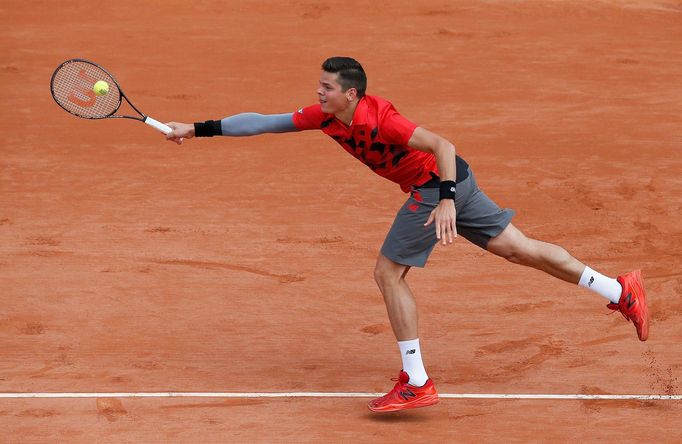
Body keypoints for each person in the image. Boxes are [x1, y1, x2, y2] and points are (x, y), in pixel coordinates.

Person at [164, 56, 650, 413]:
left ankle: (416, 381)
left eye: (327, 88)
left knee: (388, 273)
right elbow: (263, 122)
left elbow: (442, 144)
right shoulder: (325, 118)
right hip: (455, 181)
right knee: (517, 250)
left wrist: (444, 198)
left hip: (435, 185)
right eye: (319, 86)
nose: (319, 94)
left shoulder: (381, 119)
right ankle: (618, 289)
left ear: (351, 93)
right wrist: (197, 128)